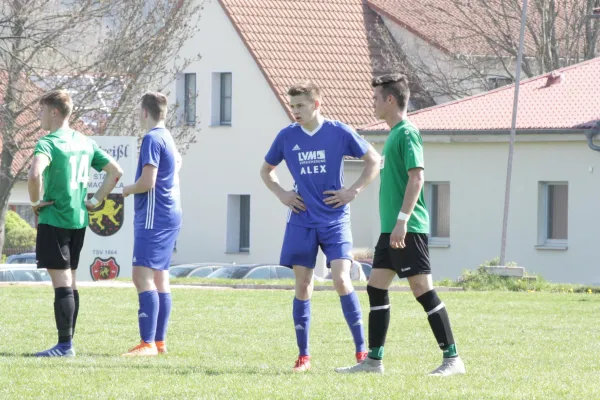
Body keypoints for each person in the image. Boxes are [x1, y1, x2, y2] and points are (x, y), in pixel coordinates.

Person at [335, 73, 466, 376]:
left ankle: (452, 359)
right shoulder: (393, 134)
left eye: (377, 98)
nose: (373, 103)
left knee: (421, 289)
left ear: (390, 100)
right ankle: (373, 361)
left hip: (407, 228)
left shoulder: (407, 132)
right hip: (390, 230)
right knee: (376, 285)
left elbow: (417, 177)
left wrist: (402, 221)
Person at [260, 81, 381, 372]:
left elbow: (374, 160)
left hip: (334, 219)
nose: (295, 112)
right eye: (292, 107)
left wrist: (353, 191)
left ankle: (361, 351)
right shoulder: (287, 136)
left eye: (300, 106)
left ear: (316, 105)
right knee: (303, 285)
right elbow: (266, 171)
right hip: (301, 220)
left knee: (341, 279)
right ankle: (303, 356)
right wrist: (282, 194)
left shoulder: (338, 131)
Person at [29, 89, 123, 357]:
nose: (39, 115)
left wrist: (35, 203)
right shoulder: (85, 142)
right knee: (70, 283)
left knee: (62, 284)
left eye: (42, 110)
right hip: (78, 220)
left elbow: (35, 175)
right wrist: (94, 201)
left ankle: (64, 346)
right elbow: (116, 172)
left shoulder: (48, 143)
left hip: (55, 219)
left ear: (55, 112)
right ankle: (68, 342)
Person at [121, 92, 182, 357]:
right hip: (170, 213)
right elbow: (179, 162)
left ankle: (146, 343)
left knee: (141, 277)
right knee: (160, 277)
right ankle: (158, 343)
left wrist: (127, 190)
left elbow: (148, 182)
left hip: (153, 216)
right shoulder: (167, 136)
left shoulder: (151, 138)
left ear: (145, 112)